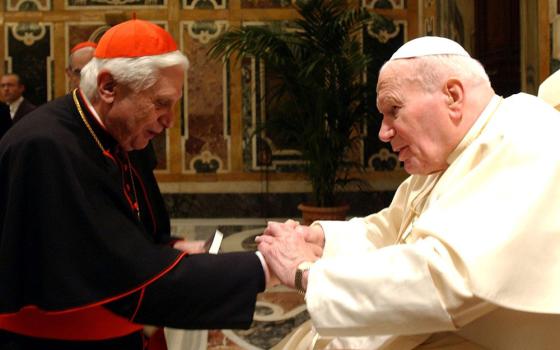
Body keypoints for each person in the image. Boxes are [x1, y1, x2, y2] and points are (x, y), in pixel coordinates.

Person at [257, 36, 560, 349]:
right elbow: (393, 228)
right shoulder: (445, 155)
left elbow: (449, 278)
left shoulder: (527, 136)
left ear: (453, 96)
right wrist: (322, 239)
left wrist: (305, 274)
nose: (383, 133)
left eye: (393, 109)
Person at [0, 18, 271, 349]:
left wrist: (166, 246)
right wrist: (262, 266)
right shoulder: (46, 146)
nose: (170, 120)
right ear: (109, 88)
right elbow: (110, 272)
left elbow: (127, 230)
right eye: (161, 103)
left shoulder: (123, 133)